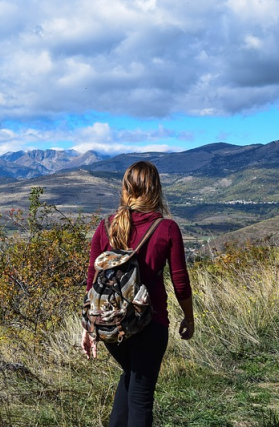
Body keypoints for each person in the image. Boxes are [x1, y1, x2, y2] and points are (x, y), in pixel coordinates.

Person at [82, 160, 194, 427]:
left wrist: (88, 327)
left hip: (110, 325)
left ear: (125, 188)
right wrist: (189, 318)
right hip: (149, 324)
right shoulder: (166, 228)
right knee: (141, 399)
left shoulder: (106, 225)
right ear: (156, 189)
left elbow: (92, 278)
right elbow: (180, 282)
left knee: (130, 378)